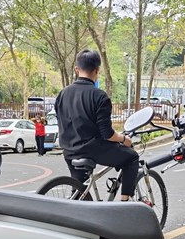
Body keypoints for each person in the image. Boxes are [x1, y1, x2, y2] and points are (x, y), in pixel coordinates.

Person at [55, 49, 138, 201]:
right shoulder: (100, 96)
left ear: (77, 69)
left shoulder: (63, 94)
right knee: (131, 158)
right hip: (93, 150)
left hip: (69, 150)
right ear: (97, 70)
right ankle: (124, 204)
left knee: (79, 192)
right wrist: (123, 139)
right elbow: (107, 134)